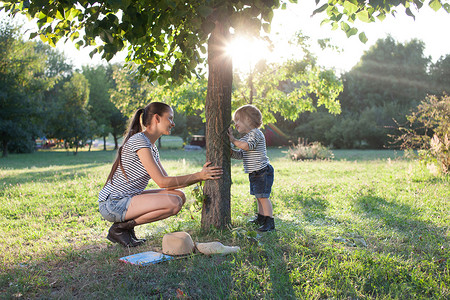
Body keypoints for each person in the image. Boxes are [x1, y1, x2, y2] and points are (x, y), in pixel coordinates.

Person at [98, 102, 223, 247]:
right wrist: (199, 175)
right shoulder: (140, 141)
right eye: (169, 118)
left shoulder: (151, 146)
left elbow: (169, 184)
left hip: (127, 198)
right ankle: (120, 229)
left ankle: (125, 229)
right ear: (156, 118)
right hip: (113, 203)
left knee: (179, 195)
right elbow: (162, 182)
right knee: (173, 203)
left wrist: (199, 177)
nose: (173, 123)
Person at [227, 105, 275, 232]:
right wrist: (231, 152)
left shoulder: (256, 134)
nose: (235, 124)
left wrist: (233, 140)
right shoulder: (246, 137)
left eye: (238, 120)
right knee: (258, 196)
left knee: (263, 197)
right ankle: (261, 218)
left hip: (262, 171)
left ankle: (270, 222)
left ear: (248, 120)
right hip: (255, 172)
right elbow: (242, 153)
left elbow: (247, 146)